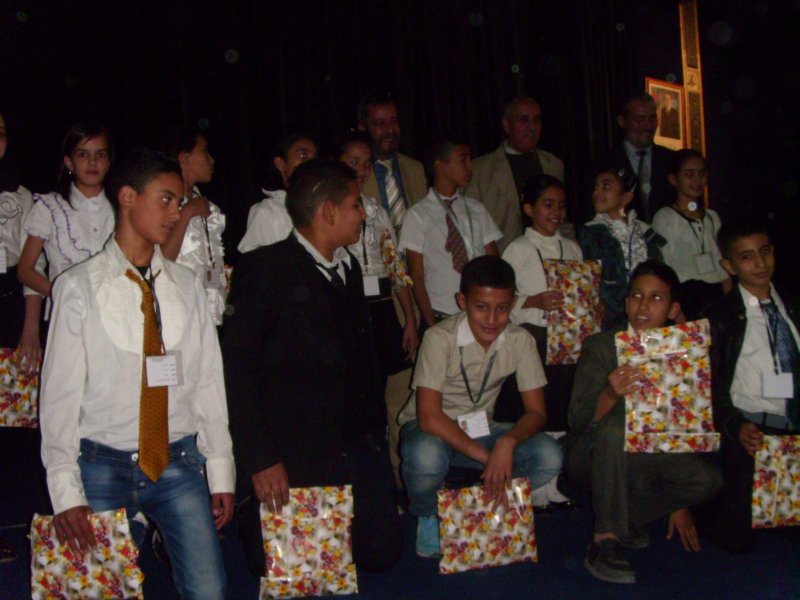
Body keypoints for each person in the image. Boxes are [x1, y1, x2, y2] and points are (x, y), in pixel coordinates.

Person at [39, 148, 235, 599]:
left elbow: (208, 381)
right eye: (166, 200)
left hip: (178, 462)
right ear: (127, 197)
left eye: (180, 202)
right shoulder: (78, 287)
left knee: (209, 590)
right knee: (99, 591)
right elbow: (59, 397)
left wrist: (220, 469)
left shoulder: (186, 285)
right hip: (100, 465)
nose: (176, 213)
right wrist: (66, 491)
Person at [222, 159, 403, 575]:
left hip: (354, 443)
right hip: (295, 448)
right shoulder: (265, 268)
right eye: (356, 205)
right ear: (328, 212)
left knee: (381, 554)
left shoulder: (349, 266)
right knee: (296, 568)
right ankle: (258, 521)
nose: (363, 214)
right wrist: (261, 459)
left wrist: (374, 437)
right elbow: (237, 372)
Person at [564, 260, 722, 584]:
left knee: (707, 480)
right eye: (636, 295)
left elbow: (685, 430)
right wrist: (609, 394)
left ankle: (623, 519)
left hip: (647, 456)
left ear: (673, 309)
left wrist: (677, 504)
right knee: (615, 428)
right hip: (593, 456)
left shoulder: (683, 354)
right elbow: (576, 421)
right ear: (626, 303)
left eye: (656, 298)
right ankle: (604, 539)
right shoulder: (602, 346)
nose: (644, 306)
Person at [398, 255, 563, 557]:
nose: (492, 319)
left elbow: (537, 413)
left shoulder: (520, 340)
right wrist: (490, 459)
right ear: (462, 301)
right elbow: (429, 417)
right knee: (425, 455)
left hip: (480, 429)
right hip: (430, 431)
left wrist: (507, 443)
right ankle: (429, 513)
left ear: (513, 303)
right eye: (482, 307)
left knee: (549, 455)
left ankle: (473, 500)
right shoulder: (438, 338)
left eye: (503, 308)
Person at [697, 217, 799, 553]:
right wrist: (735, 425)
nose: (760, 263)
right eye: (747, 257)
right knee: (737, 542)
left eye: (765, 251)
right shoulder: (719, 317)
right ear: (729, 266)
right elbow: (708, 385)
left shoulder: (792, 303)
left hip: (794, 428)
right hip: (752, 432)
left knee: (788, 529)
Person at [339, 131, 419, 489]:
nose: (360, 170)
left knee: (392, 400)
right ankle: (362, 482)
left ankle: (396, 480)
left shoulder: (377, 210)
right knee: (359, 401)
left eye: (366, 163)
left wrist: (410, 320)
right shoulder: (331, 211)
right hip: (350, 311)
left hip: (383, 311)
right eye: (352, 162)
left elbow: (395, 268)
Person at [500, 174, 583, 508]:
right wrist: (534, 301)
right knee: (535, 408)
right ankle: (532, 483)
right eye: (548, 205)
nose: (556, 212)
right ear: (529, 208)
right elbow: (503, 298)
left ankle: (551, 483)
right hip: (533, 337)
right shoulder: (518, 249)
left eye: (561, 205)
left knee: (560, 406)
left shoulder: (572, 248)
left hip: (568, 338)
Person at [17, 121, 115, 339]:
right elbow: (25, 270)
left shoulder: (121, 207)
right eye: (82, 154)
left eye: (100, 155)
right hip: (66, 318)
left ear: (108, 162)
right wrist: (62, 293)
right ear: (69, 162)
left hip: (113, 316)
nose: (92, 162)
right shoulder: (51, 207)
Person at [399, 137, 502, 328]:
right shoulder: (418, 214)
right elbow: (417, 276)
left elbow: (494, 262)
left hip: (481, 312)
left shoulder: (477, 209)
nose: (470, 166)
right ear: (440, 166)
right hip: (442, 313)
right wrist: (431, 323)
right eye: (463, 160)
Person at [0, 111, 37, 563]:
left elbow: (32, 268)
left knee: (9, 427)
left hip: (8, 304)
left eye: (2, 133)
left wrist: (30, 329)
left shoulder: (22, 196)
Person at [467, 96, 565, 252]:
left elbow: (562, 218)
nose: (532, 127)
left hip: (549, 256)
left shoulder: (553, 164)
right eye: (524, 120)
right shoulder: (480, 170)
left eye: (536, 120)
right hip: (502, 258)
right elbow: (471, 227)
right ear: (507, 125)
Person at [579, 165, 664, 330]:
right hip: (610, 316)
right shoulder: (591, 232)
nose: (597, 193)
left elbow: (660, 270)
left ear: (626, 197)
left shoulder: (644, 230)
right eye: (596, 187)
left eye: (606, 186)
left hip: (646, 310)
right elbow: (587, 277)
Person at [159, 127, 228, 326]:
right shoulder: (162, 205)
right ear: (185, 158)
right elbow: (160, 261)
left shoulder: (208, 207)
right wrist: (187, 213)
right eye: (205, 152)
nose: (212, 160)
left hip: (208, 317)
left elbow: (210, 263)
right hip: (177, 315)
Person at [652, 149, 731, 320]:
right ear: (673, 179)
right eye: (689, 174)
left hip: (716, 296)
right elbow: (664, 267)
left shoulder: (712, 217)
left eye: (702, 174)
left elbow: (723, 267)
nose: (697, 180)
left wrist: (732, 302)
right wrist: (676, 312)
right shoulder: (665, 217)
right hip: (687, 296)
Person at [589, 93, 675, 223]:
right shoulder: (603, 163)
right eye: (640, 119)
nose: (648, 126)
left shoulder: (672, 161)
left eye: (652, 118)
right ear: (622, 121)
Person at [357, 92, 427, 232]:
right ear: (363, 128)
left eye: (394, 121)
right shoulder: (356, 172)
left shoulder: (414, 169)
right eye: (380, 123)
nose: (390, 130)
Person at [237, 133, 317, 252]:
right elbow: (256, 259)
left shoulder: (321, 208)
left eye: (315, 158)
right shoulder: (268, 211)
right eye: (303, 155)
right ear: (281, 163)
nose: (312, 163)